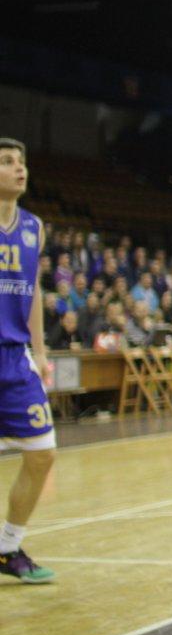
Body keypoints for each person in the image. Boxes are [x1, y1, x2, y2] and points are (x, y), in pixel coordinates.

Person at [0, 137, 57, 583]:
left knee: (42, 453)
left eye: (21, 162)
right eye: (7, 162)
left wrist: (39, 350)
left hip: (15, 359)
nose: (19, 169)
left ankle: (7, 547)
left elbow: (33, 289)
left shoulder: (34, 226)